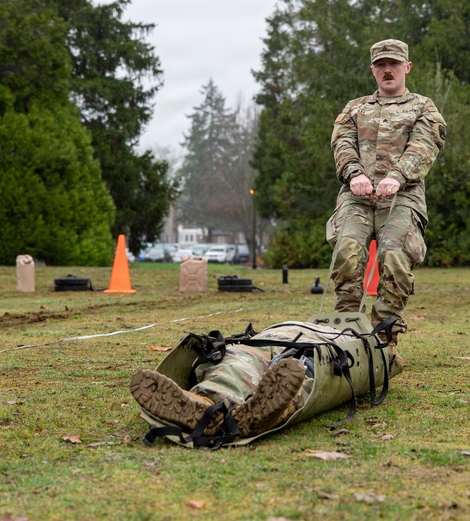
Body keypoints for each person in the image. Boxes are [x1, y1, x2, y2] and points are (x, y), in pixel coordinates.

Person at [327, 39, 446, 348]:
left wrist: (396, 176)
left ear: (407, 67)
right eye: (381, 65)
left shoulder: (423, 107)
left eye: (394, 64)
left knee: (394, 257)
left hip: (402, 195)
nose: (387, 70)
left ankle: (384, 338)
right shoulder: (355, 107)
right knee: (347, 252)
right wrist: (355, 174)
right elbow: (341, 144)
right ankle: (346, 334)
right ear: (373, 70)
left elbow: (425, 145)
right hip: (358, 195)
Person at [130, 315, 403, 446]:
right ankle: (208, 405)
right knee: (238, 360)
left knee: (296, 370)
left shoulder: (372, 348)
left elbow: (391, 362)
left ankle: (218, 402)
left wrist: (388, 347)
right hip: (279, 337)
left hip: (307, 345)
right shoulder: (366, 341)